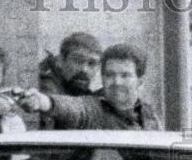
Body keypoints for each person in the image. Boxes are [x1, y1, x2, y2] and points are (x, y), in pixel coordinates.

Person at [20, 43, 163, 130]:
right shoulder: (93, 109)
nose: (116, 82)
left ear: (140, 81)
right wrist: (42, 101)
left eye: (125, 76)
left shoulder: (149, 115)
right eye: (109, 75)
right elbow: (74, 108)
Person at [39, 32, 103, 97]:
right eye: (78, 60)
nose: (84, 69)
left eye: (92, 63)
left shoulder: (86, 95)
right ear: (61, 60)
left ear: (98, 68)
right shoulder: (45, 87)